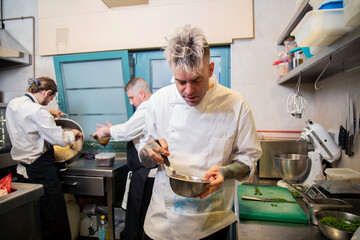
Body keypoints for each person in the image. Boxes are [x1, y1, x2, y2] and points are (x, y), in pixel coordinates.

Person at [137, 25, 262, 240]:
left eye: (197, 80)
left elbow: (248, 161)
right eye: (180, 81)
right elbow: (145, 152)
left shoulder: (236, 104)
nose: (189, 90)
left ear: (211, 69)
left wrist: (225, 172)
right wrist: (149, 150)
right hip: (163, 223)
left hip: (210, 221)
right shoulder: (159, 101)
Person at [6, 77, 83, 240]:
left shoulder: (13, 104)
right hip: (41, 169)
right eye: (51, 99)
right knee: (55, 215)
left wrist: (49, 112)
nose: (49, 103)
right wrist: (73, 135)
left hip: (23, 170)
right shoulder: (38, 111)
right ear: (47, 92)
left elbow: (29, 116)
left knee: (37, 215)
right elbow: (59, 139)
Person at [92, 77, 155, 240]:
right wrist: (112, 129)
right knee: (136, 218)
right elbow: (132, 130)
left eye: (132, 98)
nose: (131, 102)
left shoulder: (147, 107)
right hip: (142, 174)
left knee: (138, 219)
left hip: (146, 175)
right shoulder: (148, 108)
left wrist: (108, 131)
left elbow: (127, 131)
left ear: (141, 93)